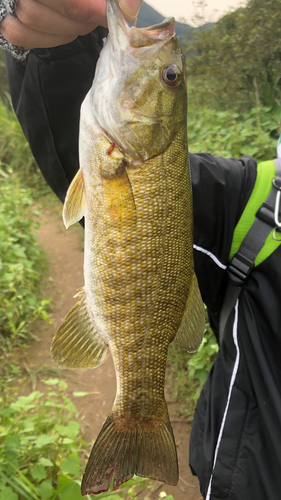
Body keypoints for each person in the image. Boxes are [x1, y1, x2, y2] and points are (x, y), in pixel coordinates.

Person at [1, 2, 281, 499]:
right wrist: (48, 48)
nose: (166, 49)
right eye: (173, 77)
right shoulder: (259, 202)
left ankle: (138, 417)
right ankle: (140, 412)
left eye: (169, 76)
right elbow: (71, 153)